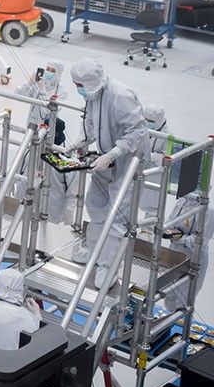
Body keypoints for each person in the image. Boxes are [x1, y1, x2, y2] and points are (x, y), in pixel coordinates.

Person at [68, 59, 149, 287]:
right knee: (95, 205)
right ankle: (94, 252)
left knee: (115, 217)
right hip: (106, 160)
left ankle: (108, 268)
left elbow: (138, 132)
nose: (78, 89)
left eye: (79, 85)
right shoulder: (94, 95)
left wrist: (112, 155)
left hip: (128, 162)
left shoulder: (121, 95)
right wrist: (80, 142)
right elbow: (93, 124)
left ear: (90, 82)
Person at [142, 104, 211, 314]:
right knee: (168, 297)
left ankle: (177, 333)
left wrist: (178, 238)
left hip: (192, 260)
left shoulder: (207, 210)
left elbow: (200, 241)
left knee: (181, 301)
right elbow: (171, 220)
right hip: (173, 255)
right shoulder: (182, 201)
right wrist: (165, 231)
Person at [16, 61, 73, 226]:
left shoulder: (61, 93)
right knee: (27, 167)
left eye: (52, 70)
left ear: (59, 74)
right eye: (47, 69)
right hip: (31, 134)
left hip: (47, 137)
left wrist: (40, 90)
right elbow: (19, 94)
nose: (48, 72)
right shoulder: (37, 84)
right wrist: (30, 82)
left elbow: (44, 112)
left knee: (45, 173)